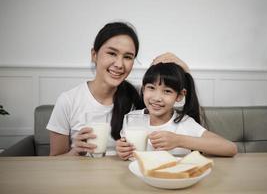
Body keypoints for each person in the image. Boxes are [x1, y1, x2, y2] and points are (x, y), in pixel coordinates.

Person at [46, 21, 185, 156]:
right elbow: (54, 162)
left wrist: (184, 72)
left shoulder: (142, 96)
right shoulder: (68, 101)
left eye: (128, 57)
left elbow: (187, 124)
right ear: (94, 55)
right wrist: (75, 151)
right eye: (112, 53)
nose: (119, 64)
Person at [116, 62, 237, 160]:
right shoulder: (131, 119)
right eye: (151, 88)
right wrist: (122, 150)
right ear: (143, 90)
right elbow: (126, 151)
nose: (157, 98)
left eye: (167, 91)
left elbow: (230, 148)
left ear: (179, 95)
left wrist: (179, 140)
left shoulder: (184, 123)